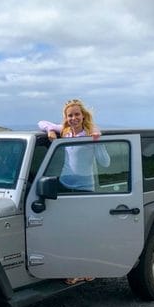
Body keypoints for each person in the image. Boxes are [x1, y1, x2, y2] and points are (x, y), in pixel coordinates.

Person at [38, 99, 110, 285]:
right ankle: (73, 269)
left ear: (83, 115)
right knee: (68, 231)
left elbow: (106, 163)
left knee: (84, 232)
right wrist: (50, 131)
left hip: (85, 188)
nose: (73, 118)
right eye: (70, 115)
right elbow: (42, 122)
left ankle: (88, 269)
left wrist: (97, 141)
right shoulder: (65, 132)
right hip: (65, 185)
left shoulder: (90, 134)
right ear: (66, 117)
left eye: (77, 114)